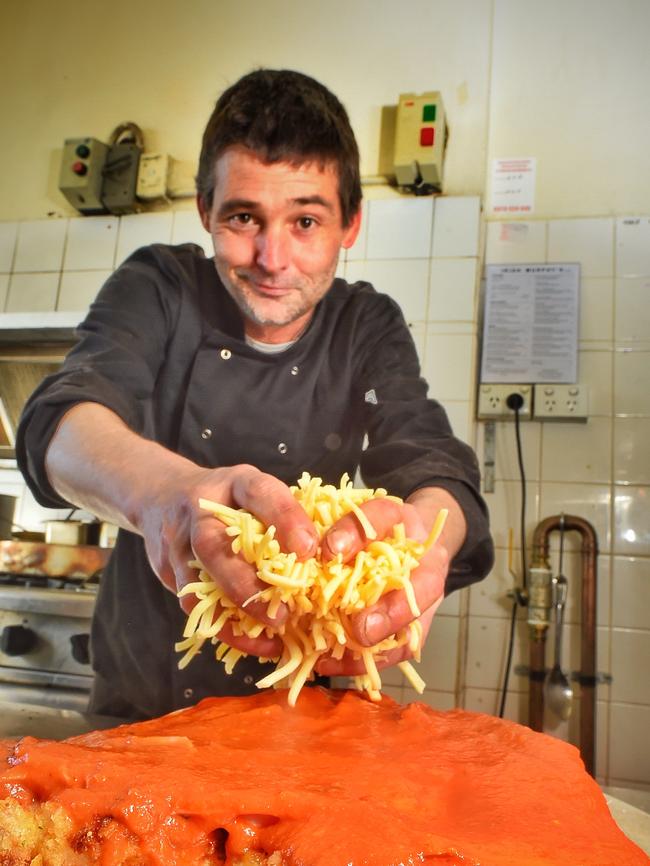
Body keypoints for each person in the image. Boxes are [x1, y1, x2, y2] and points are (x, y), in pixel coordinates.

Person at [17, 69, 493, 720]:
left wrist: (426, 544)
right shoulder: (161, 285)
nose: (273, 257)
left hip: (299, 705)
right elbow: (60, 425)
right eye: (245, 216)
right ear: (206, 210)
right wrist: (165, 499)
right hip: (141, 704)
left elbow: (432, 461)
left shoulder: (365, 324)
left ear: (350, 224)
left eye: (305, 220)